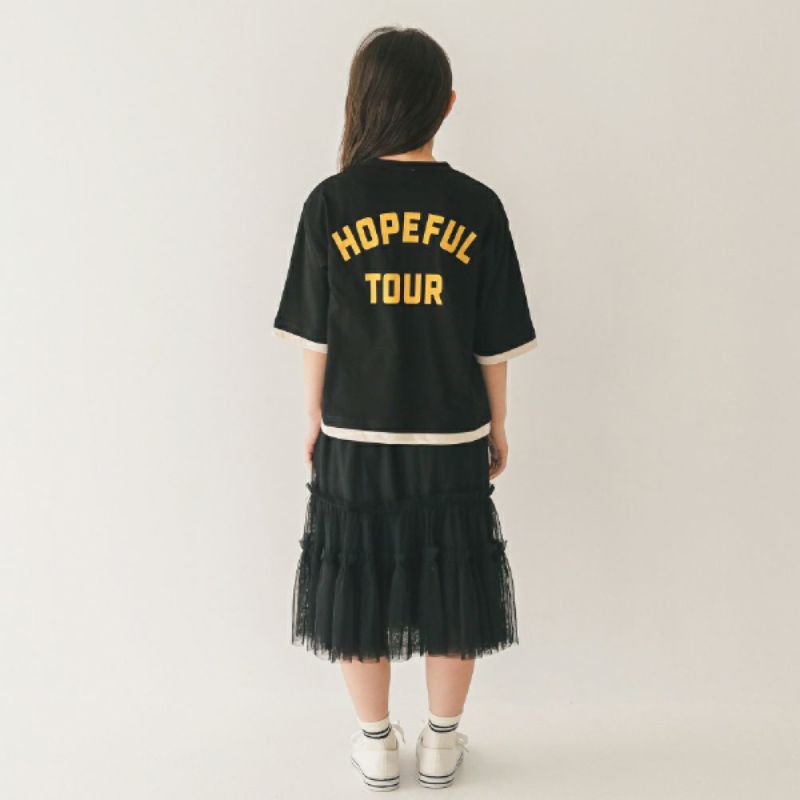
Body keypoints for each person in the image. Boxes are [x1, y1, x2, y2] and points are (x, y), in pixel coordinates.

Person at [272, 25, 537, 791]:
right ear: (446, 105)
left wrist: (314, 419)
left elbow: (315, 336)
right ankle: (442, 743)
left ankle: (376, 742)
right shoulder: (477, 206)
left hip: (355, 432)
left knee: (356, 581)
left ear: (361, 101)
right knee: (454, 580)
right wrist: (498, 426)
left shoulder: (332, 202)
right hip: (452, 432)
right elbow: (492, 342)